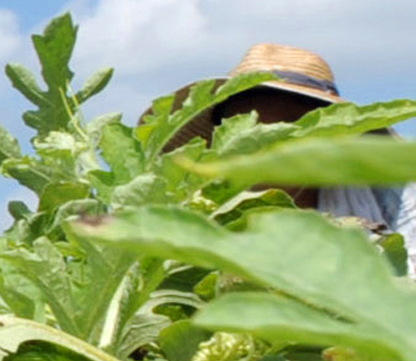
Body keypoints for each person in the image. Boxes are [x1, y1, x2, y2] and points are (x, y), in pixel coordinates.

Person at [172, 43, 415, 236]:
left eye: (281, 133)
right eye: (243, 134)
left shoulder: (384, 193)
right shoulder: (195, 213)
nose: (260, 151)